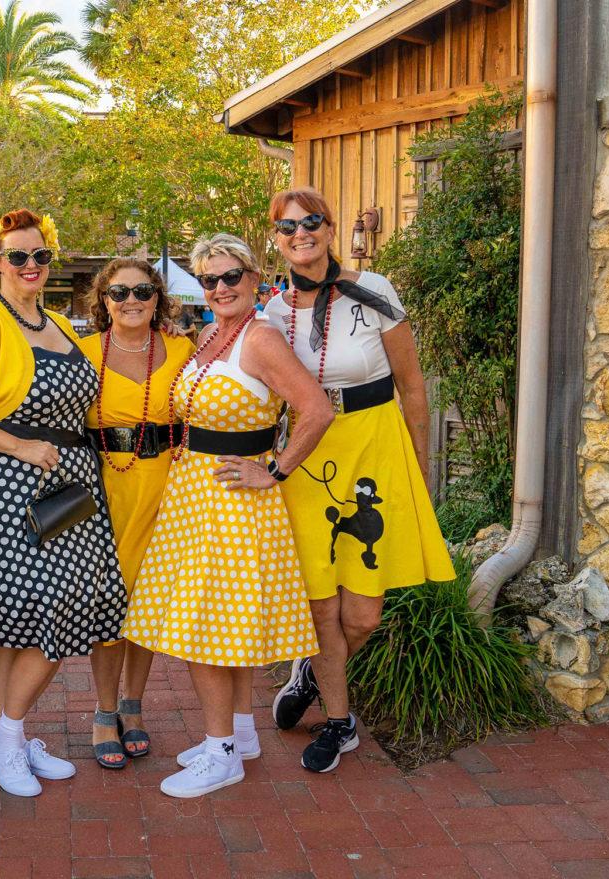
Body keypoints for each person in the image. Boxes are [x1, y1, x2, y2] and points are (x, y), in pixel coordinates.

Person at [123, 233, 332, 799]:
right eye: (209, 279)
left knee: (205, 631)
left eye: (231, 276)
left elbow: (316, 409)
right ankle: (239, 735)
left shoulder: (260, 338)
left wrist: (276, 470)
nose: (219, 288)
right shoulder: (211, 335)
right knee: (225, 627)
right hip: (195, 497)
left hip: (233, 504)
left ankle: (220, 754)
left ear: (253, 278)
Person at [0, 209, 126, 798]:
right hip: (7, 490)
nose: (30, 265)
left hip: (67, 489)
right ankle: (9, 736)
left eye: (40, 255)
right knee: (49, 613)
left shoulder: (59, 325)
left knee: (28, 625)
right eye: (18, 256)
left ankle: (9, 738)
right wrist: (20, 446)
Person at [262, 188, 456, 773]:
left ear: (329, 228)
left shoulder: (375, 291)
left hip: (375, 450)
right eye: (288, 227)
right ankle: (340, 722)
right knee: (323, 607)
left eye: (311, 222)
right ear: (276, 240)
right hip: (311, 459)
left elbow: (413, 386)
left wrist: (419, 466)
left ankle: (311, 672)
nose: (301, 233)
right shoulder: (273, 314)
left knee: (362, 616)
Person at [77, 258, 195, 770]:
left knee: (147, 603)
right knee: (109, 603)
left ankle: (133, 706)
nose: (131, 300)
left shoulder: (184, 349)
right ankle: (104, 711)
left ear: (158, 298)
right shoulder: (82, 353)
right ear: (103, 300)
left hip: (168, 490)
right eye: (119, 292)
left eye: (143, 291)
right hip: (105, 491)